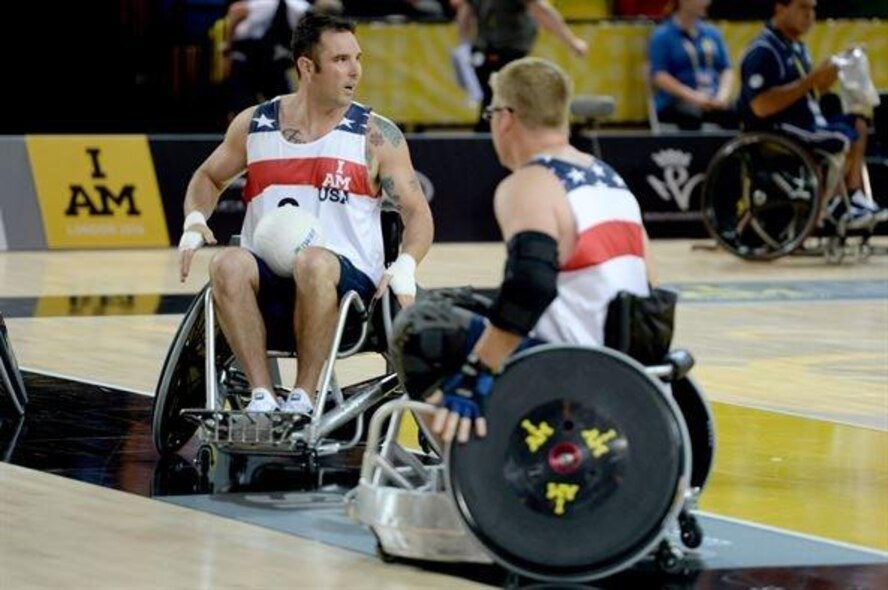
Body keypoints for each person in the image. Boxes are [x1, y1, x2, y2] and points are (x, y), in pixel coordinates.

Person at [179, 12, 434, 415]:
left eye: (358, 58)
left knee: (313, 262)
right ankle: (262, 397)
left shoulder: (376, 135)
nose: (356, 71)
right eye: (341, 60)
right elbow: (208, 178)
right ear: (306, 67)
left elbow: (417, 214)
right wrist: (195, 220)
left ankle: (303, 397)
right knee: (227, 263)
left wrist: (406, 264)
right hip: (270, 290)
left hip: (348, 292)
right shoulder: (254, 125)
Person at [418, 57, 654, 442]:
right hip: (623, 365)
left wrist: (479, 371)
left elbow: (531, 284)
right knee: (470, 304)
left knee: (422, 326)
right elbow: (651, 283)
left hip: (565, 365)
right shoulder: (610, 178)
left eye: (491, 110)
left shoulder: (530, 182)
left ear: (505, 118)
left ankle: (457, 461)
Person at [736, 0, 886, 226]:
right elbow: (761, 106)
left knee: (858, 124)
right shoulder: (763, 50)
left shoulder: (798, 47)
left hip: (806, 122)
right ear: (780, 8)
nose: (810, 15)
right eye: (803, 7)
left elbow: (809, 90)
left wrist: (831, 74)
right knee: (840, 138)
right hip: (776, 127)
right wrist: (811, 80)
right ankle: (832, 205)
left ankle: (853, 196)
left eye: (813, 8)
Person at [449, 0, 589, 131]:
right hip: (503, 48)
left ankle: (488, 133)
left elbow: (465, 14)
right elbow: (542, 11)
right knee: (500, 101)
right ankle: (490, 137)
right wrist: (571, 41)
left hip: (492, 49)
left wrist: (464, 45)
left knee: (496, 100)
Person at [649, 0, 735, 130]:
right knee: (690, 115)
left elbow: (726, 69)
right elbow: (660, 76)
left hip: (712, 97)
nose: (707, 2)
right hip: (677, 102)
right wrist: (695, 97)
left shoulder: (712, 33)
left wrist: (722, 96)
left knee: (734, 112)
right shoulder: (662, 35)